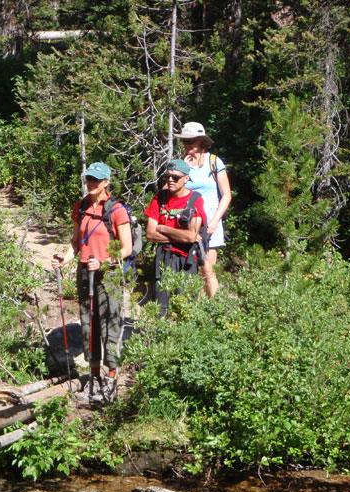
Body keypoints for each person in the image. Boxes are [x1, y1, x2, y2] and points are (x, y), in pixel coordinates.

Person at [50, 162, 132, 402]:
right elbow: (76, 242)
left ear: (106, 182)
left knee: (110, 323)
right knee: (89, 323)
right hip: (85, 271)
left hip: (110, 273)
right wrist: (63, 259)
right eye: (88, 179)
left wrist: (105, 261)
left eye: (96, 180)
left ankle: (112, 377)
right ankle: (93, 375)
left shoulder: (116, 210)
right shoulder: (82, 206)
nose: (91, 183)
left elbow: (126, 248)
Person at [175, 121, 232, 297]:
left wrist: (215, 221)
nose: (187, 144)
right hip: (187, 224)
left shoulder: (214, 162)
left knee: (208, 268)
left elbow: (226, 195)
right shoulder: (180, 164)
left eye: (190, 140)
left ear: (201, 141)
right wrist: (182, 169)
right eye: (184, 141)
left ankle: (215, 313)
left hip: (210, 223)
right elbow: (170, 191)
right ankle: (194, 313)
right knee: (189, 270)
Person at [144, 159, 207, 314]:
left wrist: (163, 227)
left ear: (186, 179)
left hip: (187, 260)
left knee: (185, 307)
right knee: (160, 307)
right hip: (164, 257)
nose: (170, 180)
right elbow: (150, 233)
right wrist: (181, 236)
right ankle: (157, 337)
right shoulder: (160, 198)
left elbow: (191, 237)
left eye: (175, 177)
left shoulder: (195, 200)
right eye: (167, 177)